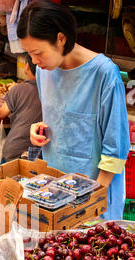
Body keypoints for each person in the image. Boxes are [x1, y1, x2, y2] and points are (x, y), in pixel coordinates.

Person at [17, 0, 130, 220]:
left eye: (38, 52)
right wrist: (38, 129)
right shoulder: (44, 71)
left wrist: (92, 200)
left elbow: (116, 149)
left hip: (94, 203)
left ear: (61, 39)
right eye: (29, 54)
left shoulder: (104, 74)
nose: (33, 61)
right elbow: (60, 117)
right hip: (54, 195)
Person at [0, 53, 42, 162]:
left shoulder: (17, 89)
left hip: (15, 150)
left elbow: (1, 113)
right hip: (38, 153)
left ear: (26, 66)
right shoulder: (48, 91)